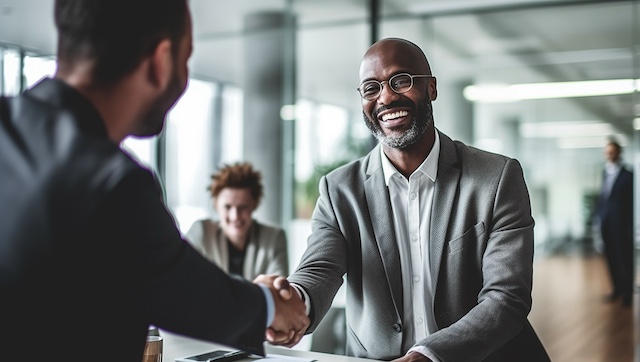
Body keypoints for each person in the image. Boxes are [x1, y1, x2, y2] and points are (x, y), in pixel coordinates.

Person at [0, 1, 308, 361]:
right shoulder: (114, 182)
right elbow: (187, 294)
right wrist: (271, 307)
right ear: (161, 60)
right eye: (186, 58)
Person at [257, 37, 550, 362]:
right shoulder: (339, 189)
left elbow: (507, 296)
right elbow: (320, 267)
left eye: (402, 80)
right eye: (371, 88)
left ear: (432, 88)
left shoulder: (496, 177)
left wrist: (427, 355)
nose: (386, 96)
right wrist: (291, 301)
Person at [185, 162, 289, 280]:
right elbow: (184, 280)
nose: (235, 216)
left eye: (243, 207)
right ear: (216, 206)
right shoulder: (201, 233)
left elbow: (280, 291)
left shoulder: (274, 238)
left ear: (254, 205)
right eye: (227, 207)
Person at [595, 138, 634, 306]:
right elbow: (604, 197)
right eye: (607, 152)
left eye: (612, 152)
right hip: (607, 224)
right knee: (610, 258)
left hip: (622, 226)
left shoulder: (629, 175)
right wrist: (598, 217)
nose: (609, 155)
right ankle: (617, 289)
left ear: (618, 153)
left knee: (624, 259)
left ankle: (627, 293)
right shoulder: (605, 173)